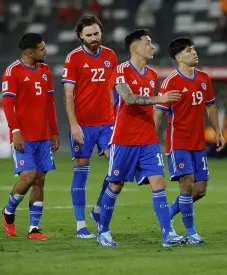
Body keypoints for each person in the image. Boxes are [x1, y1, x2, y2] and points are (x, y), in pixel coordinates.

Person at [96, 29, 184, 247]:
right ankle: (103, 230)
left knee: (159, 182)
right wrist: (159, 98)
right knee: (115, 184)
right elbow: (129, 98)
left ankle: (168, 234)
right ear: (135, 48)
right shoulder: (120, 71)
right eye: (148, 42)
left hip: (147, 140)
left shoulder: (152, 74)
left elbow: (148, 106)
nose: (152, 46)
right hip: (124, 139)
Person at [154, 37, 225, 244]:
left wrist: (218, 131)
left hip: (198, 143)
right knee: (186, 185)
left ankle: (166, 216)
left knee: (200, 189)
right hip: (179, 143)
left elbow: (210, 106)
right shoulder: (171, 82)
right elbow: (159, 113)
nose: (194, 52)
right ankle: (191, 232)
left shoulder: (204, 78)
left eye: (194, 49)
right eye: (188, 50)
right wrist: (151, 141)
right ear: (178, 57)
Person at [62, 14, 118, 238]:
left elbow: (115, 89)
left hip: (107, 122)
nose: (94, 38)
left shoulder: (110, 56)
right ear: (80, 37)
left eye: (96, 33)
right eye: (89, 35)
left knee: (118, 169)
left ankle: (97, 209)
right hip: (83, 125)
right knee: (81, 174)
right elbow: (68, 95)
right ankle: (80, 226)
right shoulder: (73, 58)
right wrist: (74, 124)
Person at [1, 33, 59, 240]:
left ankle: (34, 229)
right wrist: (15, 131)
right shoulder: (12, 72)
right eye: (41, 49)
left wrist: (54, 131)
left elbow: (50, 103)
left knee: (40, 180)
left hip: (43, 136)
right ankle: (8, 211)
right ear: (29, 52)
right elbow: (8, 104)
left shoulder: (45, 71)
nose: (46, 51)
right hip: (24, 136)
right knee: (28, 176)